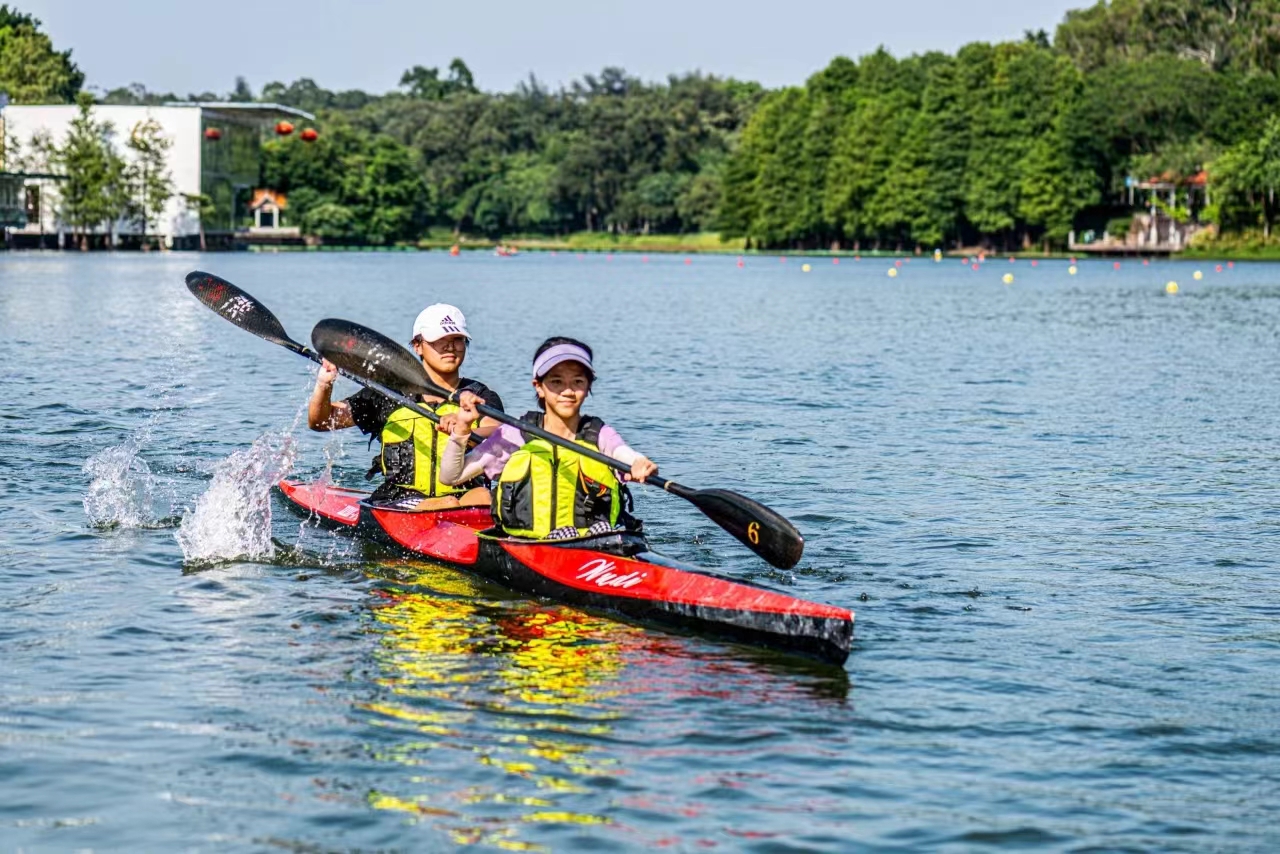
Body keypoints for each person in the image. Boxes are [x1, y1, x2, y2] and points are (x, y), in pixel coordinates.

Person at [438, 337, 657, 539]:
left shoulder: (598, 434)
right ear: (539, 387)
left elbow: (623, 453)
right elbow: (451, 477)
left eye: (578, 382)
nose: (568, 391)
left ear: (588, 386)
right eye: (556, 382)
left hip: (594, 542)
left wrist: (638, 464)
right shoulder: (516, 435)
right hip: (526, 546)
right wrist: (462, 429)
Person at [308, 304, 504, 508]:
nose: (450, 347)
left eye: (457, 339)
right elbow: (322, 421)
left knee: (482, 496)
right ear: (417, 345)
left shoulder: (478, 396)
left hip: (463, 499)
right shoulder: (390, 394)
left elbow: (498, 430)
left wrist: (464, 429)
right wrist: (325, 384)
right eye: (439, 340)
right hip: (399, 501)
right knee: (446, 503)